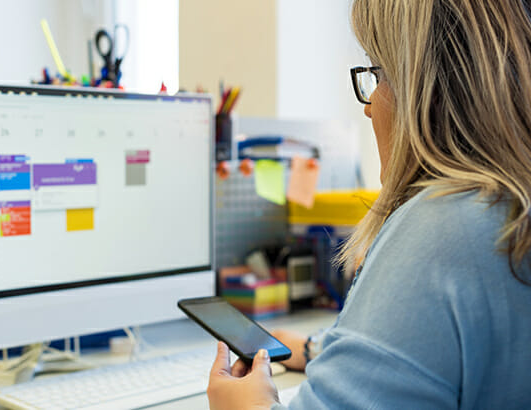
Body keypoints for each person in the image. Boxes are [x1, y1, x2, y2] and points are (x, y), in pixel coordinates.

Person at [207, 0, 531, 408]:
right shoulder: (507, 208)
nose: (368, 104)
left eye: (377, 71)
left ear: (422, 88)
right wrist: (321, 347)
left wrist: (244, 405)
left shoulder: (444, 224)